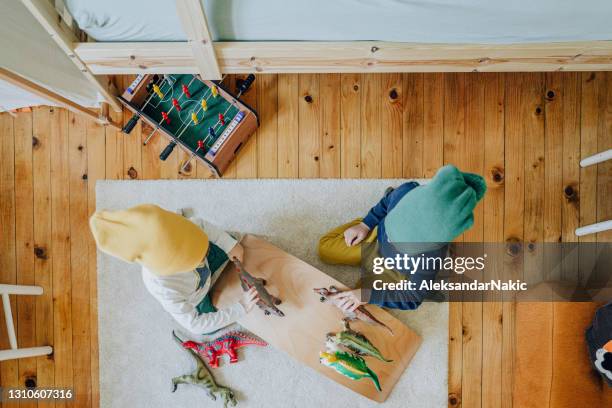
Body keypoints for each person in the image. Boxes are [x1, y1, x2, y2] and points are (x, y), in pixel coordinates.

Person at [318, 164, 487, 312]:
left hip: (394, 272)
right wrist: (365, 225)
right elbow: (384, 205)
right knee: (325, 249)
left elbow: (412, 298)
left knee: (355, 304)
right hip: (375, 238)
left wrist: (365, 295)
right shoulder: (405, 192)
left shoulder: (431, 257)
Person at [89, 204, 258, 335]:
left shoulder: (185, 227)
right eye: (194, 258)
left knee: (232, 241)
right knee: (207, 328)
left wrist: (230, 246)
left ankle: (211, 247)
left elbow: (201, 225)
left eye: (199, 249)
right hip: (197, 297)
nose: (201, 255)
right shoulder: (164, 288)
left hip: (207, 262)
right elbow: (195, 324)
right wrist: (240, 308)